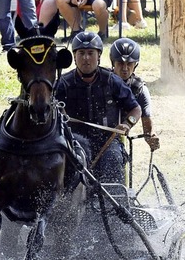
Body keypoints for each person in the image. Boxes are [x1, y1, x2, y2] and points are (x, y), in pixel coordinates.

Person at [55, 31, 141, 184]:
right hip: (74, 143)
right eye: (81, 53)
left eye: (90, 53)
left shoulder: (112, 81)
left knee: (113, 159)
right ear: (74, 56)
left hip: (107, 142)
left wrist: (128, 124)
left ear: (99, 56)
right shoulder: (63, 84)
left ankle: (113, 205)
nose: (86, 58)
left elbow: (136, 109)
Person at [109, 37, 159, 152]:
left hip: (118, 143)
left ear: (135, 64)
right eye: (120, 63)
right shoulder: (101, 83)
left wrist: (151, 138)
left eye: (129, 64)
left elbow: (148, 130)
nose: (125, 68)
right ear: (113, 62)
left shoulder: (139, 90)